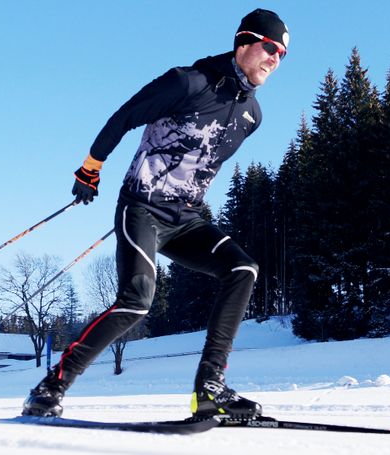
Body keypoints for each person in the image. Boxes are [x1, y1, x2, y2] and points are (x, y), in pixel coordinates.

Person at [22, 8, 289, 420]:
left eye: (283, 55)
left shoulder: (252, 115)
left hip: (187, 219)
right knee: (137, 300)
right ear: (244, 41)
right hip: (142, 209)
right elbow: (125, 115)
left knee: (243, 270)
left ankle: (210, 389)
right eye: (270, 47)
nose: (275, 59)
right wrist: (91, 168)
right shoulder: (188, 82)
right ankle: (50, 387)